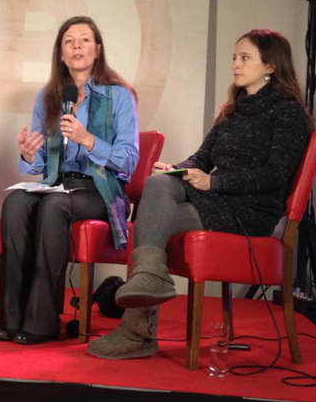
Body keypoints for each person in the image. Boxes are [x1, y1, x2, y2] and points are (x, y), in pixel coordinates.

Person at [87, 29, 313, 360]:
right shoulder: (232, 109)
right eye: (234, 57)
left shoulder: (288, 113)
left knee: (155, 219)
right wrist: (176, 169)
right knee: (158, 184)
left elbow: (274, 175)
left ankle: (138, 332)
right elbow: (201, 158)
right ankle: (149, 282)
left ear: (270, 66)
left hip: (251, 212)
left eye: (245, 58)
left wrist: (214, 184)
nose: (235, 64)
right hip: (217, 201)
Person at [0, 16, 139, 345]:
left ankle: (42, 321)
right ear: (60, 54)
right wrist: (31, 155)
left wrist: (89, 139)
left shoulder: (119, 96)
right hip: (57, 185)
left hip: (99, 190)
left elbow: (129, 161)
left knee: (54, 207)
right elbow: (43, 162)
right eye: (69, 41)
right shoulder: (48, 97)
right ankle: (10, 318)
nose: (77, 45)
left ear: (97, 50)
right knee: (15, 203)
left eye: (85, 40)